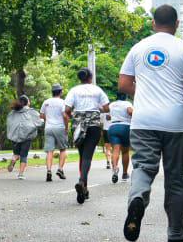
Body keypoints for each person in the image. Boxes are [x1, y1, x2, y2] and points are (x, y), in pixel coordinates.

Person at [119, 4, 183, 242]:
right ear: (177, 24)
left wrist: (144, 91)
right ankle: (176, 234)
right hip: (176, 123)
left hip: (143, 121)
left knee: (144, 167)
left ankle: (137, 200)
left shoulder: (138, 48)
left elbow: (125, 83)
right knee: (176, 178)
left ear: (153, 23)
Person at [63, 68, 110, 204]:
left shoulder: (74, 90)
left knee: (83, 156)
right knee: (88, 156)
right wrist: (98, 108)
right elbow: (107, 108)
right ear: (90, 77)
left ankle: (84, 187)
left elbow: (67, 110)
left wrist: (75, 117)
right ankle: (82, 182)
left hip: (78, 126)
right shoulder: (97, 90)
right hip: (93, 126)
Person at [6, 95, 43, 179]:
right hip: (27, 137)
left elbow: (9, 123)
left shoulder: (13, 112)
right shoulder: (31, 112)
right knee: (23, 155)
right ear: (27, 102)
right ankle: (21, 174)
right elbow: (39, 122)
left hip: (14, 136)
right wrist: (42, 121)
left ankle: (13, 160)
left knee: (16, 154)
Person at [39, 84, 69, 182]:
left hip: (48, 128)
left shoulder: (46, 102)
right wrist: (66, 127)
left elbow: (41, 115)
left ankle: (48, 171)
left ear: (52, 92)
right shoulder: (63, 102)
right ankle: (60, 169)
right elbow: (65, 116)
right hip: (60, 127)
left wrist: (49, 120)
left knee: (49, 151)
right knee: (63, 149)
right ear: (60, 92)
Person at [106, 92, 134, 183]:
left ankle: (115, 168)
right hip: (125, 127)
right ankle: (125, 173)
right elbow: (130, 112)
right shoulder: (127, 103)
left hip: (113, 127)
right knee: (125, 151)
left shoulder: (112, 104)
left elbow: (108, 117)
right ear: (125, 96)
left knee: (115, 150)